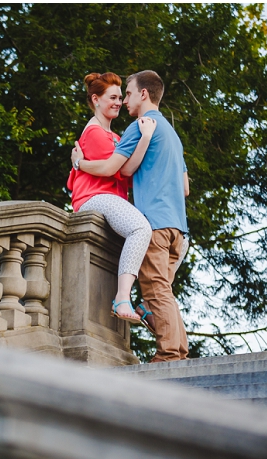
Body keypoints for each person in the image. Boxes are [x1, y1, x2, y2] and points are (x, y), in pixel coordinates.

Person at [71, 70, 190, 362]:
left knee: (156, 290)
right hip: (180, 230)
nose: (125, 100)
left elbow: (119, 169)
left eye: (127, 93)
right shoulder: (173, 136)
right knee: (163, 291)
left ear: (143, 94)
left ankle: (170, 356)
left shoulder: (139, 127)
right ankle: (179, 350)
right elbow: (185, 188)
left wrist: (79, 163)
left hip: (157, 223)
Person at [68, 72, 157, 325]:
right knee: (140, 228)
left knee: (164, 237)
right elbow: (115, 169)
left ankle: (147, 303)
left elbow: (126, 172)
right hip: (93, 198)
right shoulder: (94, 132)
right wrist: (80, 163)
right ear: (95, 99)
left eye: (121, 97)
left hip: (112, 198)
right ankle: (122, 298)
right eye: (113, 97)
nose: (118, 102)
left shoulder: (116, 137)